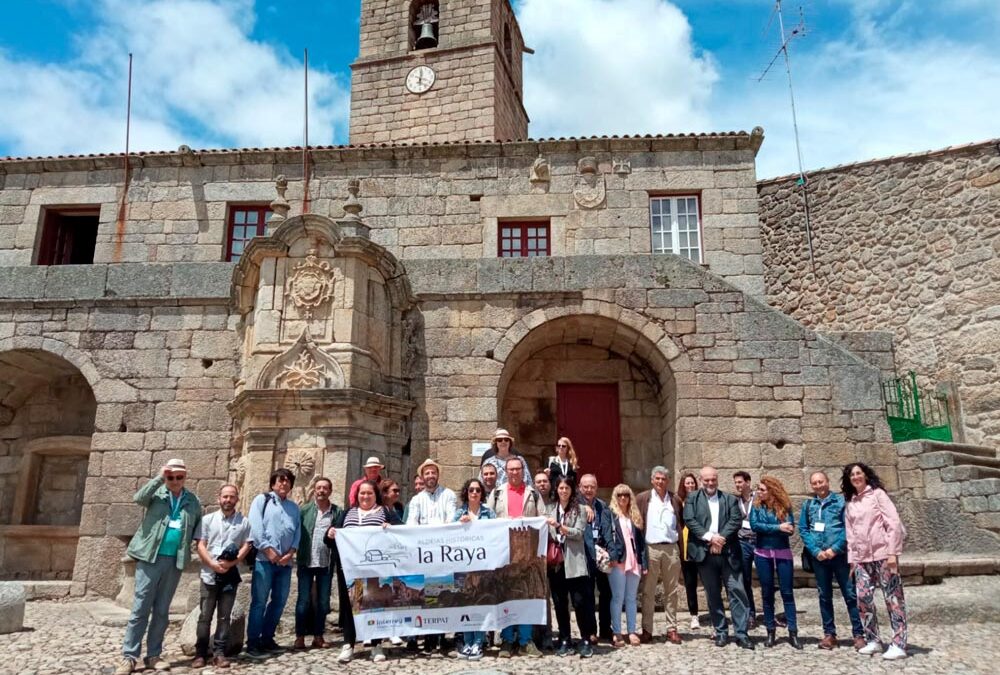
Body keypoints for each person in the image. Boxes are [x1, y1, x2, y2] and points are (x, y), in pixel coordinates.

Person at [116, 459, 203, 674]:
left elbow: (197, 528)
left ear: (185, 477)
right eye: (171, 477)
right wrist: (159, 477)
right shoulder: (157, 495)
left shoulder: (192, 501)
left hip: (174, 561)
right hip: (150, 558)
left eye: (179, 477)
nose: (175, 481)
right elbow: (139, 498)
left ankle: (153, 655)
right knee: (140, 609)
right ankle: (129, 656)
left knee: (162, 611)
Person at [326, 480, 402, 663]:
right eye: (362, 493)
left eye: (369, 493)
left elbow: (402, 532)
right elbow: (330, 538)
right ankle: (348, 645)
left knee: (375, 605)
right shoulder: (347, 513)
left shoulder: (385, 512)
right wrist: (330, 534)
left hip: (375, 570)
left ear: (376, 494)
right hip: (350, 570)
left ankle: (376, 645)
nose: (365, 496)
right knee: (349, 607)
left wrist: (391, 529)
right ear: (356, 495)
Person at [842, 463, 909, 661]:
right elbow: (850, 534)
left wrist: (893, 553)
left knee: (894, 600)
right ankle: (873, 640)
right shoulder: (851, 502)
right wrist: (852, 560)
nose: (855, 477)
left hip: (883, 555)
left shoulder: (878, 495)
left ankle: (899, 644)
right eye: (852, 474)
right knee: (863, 599)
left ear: (865, 475)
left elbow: (893, 523)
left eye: (858, 473)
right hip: (862, 559)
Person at [683, 466, 753, 650]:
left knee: (737, 591)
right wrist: (710, 537)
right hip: (705, 553)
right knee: (713, 594)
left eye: (713, 479)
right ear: (701, 480)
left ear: (717, 479)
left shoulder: (729, 499)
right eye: (706, 480)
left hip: (728, 551)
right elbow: (690, 520)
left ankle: (741, 633)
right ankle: (721, 631)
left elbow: (735, 520)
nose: (710, 483)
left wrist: (720, 538)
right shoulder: (692, 498)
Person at [800, 470, 865, 651]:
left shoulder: (840, 502)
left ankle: (858, 634)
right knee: (824, 596)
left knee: (850, 594)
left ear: (828, 482)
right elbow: (804, 529)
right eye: (815, 483)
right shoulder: (809, 504)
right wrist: (815, 551)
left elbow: (848, 527)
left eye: (821, 481)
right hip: (819, 558)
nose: (818, 485)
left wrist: (834, 549)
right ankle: (829, 634)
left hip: (839, 556)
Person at [490, 456, 544, 658]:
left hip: (527, 553)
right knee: (506, 596)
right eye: (510, 469)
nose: (514, 472)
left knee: (526, 595)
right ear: (506, 471)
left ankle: (525, 640)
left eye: (517, 469)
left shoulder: (533, 494)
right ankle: (506, 639)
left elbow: (542, 519)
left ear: (523, 471)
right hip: (504, 552)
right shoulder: (497, 494)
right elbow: (488, 518)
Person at [193, 484, 251, 669]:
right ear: (219, 498)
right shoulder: (207, 520)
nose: (228, 500)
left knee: (225, 617)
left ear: (237, 499)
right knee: (205, 616)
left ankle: (219, 653)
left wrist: (231, 564)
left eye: (231, 497)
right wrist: (211, 563)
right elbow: (201, 544)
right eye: (225, 496)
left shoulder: (244, 522)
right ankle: (200, 653)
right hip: (209, 573)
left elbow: (246, 546)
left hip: (229, 574)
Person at [246, 468, 301, 658]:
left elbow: (298, 532)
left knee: (279, 602)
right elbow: (255, 527)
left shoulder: (294, 508)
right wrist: (269, 551)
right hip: (264, 560)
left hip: (285, 563)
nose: (284, 483)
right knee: (259, 602)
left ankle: (267, 638)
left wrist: (291, 552)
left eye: (287, 481)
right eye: (280, 480)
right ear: (273, 483)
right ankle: (252, 642)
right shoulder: (262, 500)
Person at [406, 459, 458, 656]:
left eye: (433, 473)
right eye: (426, 473)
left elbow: (451, 519)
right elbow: (412, 523)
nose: (430, 476)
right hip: (423, 552)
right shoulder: (417, 500)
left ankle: (442, 637)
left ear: (438, 475)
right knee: (425, 595)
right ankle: (427, 637)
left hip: (442, 551)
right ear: (422, 476)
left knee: (442, 593)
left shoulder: (449, 495)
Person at [749, 476, 802, 649]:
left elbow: (790, 529)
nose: (759, 492)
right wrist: (777, 528)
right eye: (758, 489)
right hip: (763, 553)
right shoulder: (756, 507)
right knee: (767, 593)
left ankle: (793, 632)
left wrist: (775, 529)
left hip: (782, 553)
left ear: (772, 490)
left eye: (762, 489)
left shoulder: (784, 506)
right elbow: (755, 526)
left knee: (787, 593)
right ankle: (770, 630)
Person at [546, 477, 596, 658]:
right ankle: (564, 638)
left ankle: (584, 639)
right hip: (556, 564)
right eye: (561, 488)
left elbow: (579, 533)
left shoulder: (581, 510)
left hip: (574, 563)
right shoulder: (550, 510)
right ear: (556, 490)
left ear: (571, 490)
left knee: (579, 603)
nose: (563, 491)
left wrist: (560, 527)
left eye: (566, 488)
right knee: (560, 604)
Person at [636, 466, 683, 644]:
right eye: (657, 478)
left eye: (663, 479)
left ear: (668, 480)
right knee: (648, 591)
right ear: (652, 480)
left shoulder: (674, 499)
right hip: (651, 549)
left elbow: (681, 522)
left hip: (671, 548)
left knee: (672, 591)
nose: (660, 482)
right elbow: (638, 521)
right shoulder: (643, 498)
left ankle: (671, 628)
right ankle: (647, 629)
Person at [293, 477, 340, 651]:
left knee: (322, 601)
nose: (321, 491)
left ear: (330, 491)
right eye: (318, 487)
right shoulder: (304, 511)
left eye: (325, 488)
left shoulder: (337, 512)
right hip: (306, 561)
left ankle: (318, 636)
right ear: (314, 490)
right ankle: (300, 637)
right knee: (303, 600)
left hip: (325, 563)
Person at [452, 478, 495, 661]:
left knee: (481, 604)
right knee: (464, 603)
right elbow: (448, 535)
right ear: (466, 493)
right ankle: (467, 640)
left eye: (478, 490)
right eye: (471, 490)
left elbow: (495, 534)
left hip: (482, 567)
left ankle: (479, 641)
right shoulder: (458, 513)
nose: (475, 493)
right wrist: (458, 525)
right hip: (462, 567)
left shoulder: (489, 513)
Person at [601, 484, 647, 648]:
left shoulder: (634, 515)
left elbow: (640, 541)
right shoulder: (610, 514)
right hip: (618, 561)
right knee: (618, 597)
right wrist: (612, 556)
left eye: (626, 495)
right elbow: (606, 535)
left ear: (630, 497)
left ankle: (632, 631)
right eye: (619, 495)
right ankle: (617, 632)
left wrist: (644, 561)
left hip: (634, 561)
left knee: (632, 598)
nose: (622, 498)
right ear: (615, 496)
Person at [579, 474, 612, 642]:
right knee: (588, 594)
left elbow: (607, 529)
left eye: (592, 487)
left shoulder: (602, 506)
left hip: (601, 554)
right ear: (580, 487)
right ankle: (591, 630)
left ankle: (606, 628)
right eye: (586, 487)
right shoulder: (576, 505)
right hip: (585, 554)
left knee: (606, 593)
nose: (589, 490)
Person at [733, 471, 759, 629]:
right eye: (736, 482)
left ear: (748, 482)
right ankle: (750, 614)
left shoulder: (759, 498)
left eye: (740, 482)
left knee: (766, 578)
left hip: (759, 541)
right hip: (743, 542)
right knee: (746, 579)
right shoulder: (735, 501)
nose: (737, 485)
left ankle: (771, 613)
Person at [677, 472, 701, 630]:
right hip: (686, 544)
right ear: (683, 486)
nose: (690, 485)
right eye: (687, 483)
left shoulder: (702, 499)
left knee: (710, 581)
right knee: (690, 582)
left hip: (701, 544)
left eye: (692, 483)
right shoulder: (679, 502)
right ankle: (694, 615)